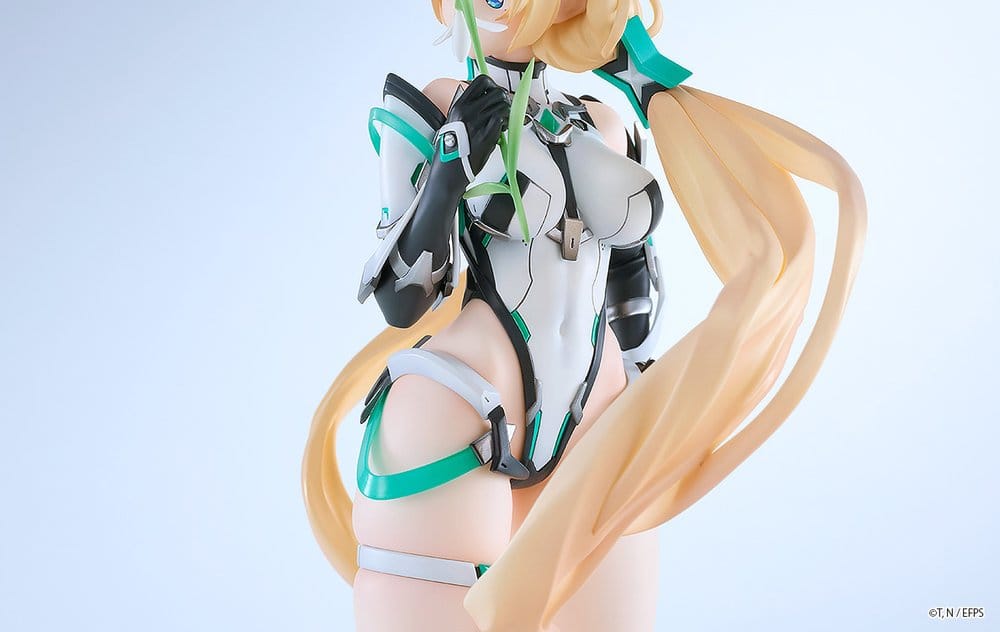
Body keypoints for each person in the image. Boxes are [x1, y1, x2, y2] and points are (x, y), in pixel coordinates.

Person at [303, 1, 867, 630]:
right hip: (463, 407)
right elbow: (402, 298)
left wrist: (649, 375)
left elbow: (632, 275)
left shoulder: (604, 120)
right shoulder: (438, 104)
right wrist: (447, 172)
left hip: (600, 413)